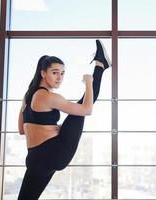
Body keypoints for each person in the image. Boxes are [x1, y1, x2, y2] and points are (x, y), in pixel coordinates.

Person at [17, 40, 111, 200]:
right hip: (55, 152)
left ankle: (100, 64)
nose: (60, 77)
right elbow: (87, 109)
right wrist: (88, 83)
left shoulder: (28, 97)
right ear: (43, 73)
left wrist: (54, 128)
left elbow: (22, 130)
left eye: (62, 73)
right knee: (82, 105)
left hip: (35, 158)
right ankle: (100, 66)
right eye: (55, 72)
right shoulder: (48, 96)